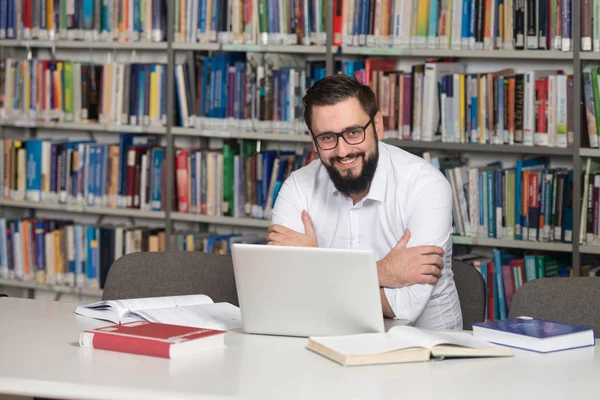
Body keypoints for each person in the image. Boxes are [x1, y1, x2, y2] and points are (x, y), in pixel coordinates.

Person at [267, 74, 463, 330]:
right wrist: (384, 272)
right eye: (327, 137)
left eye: (353, 132)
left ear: (378, 125)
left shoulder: (425, 185)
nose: (343, 150)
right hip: (328, 340)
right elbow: (281, 293)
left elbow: (404, 306)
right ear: (313, 139)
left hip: (425, 350)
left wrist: (312, 269)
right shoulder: (297, 186)